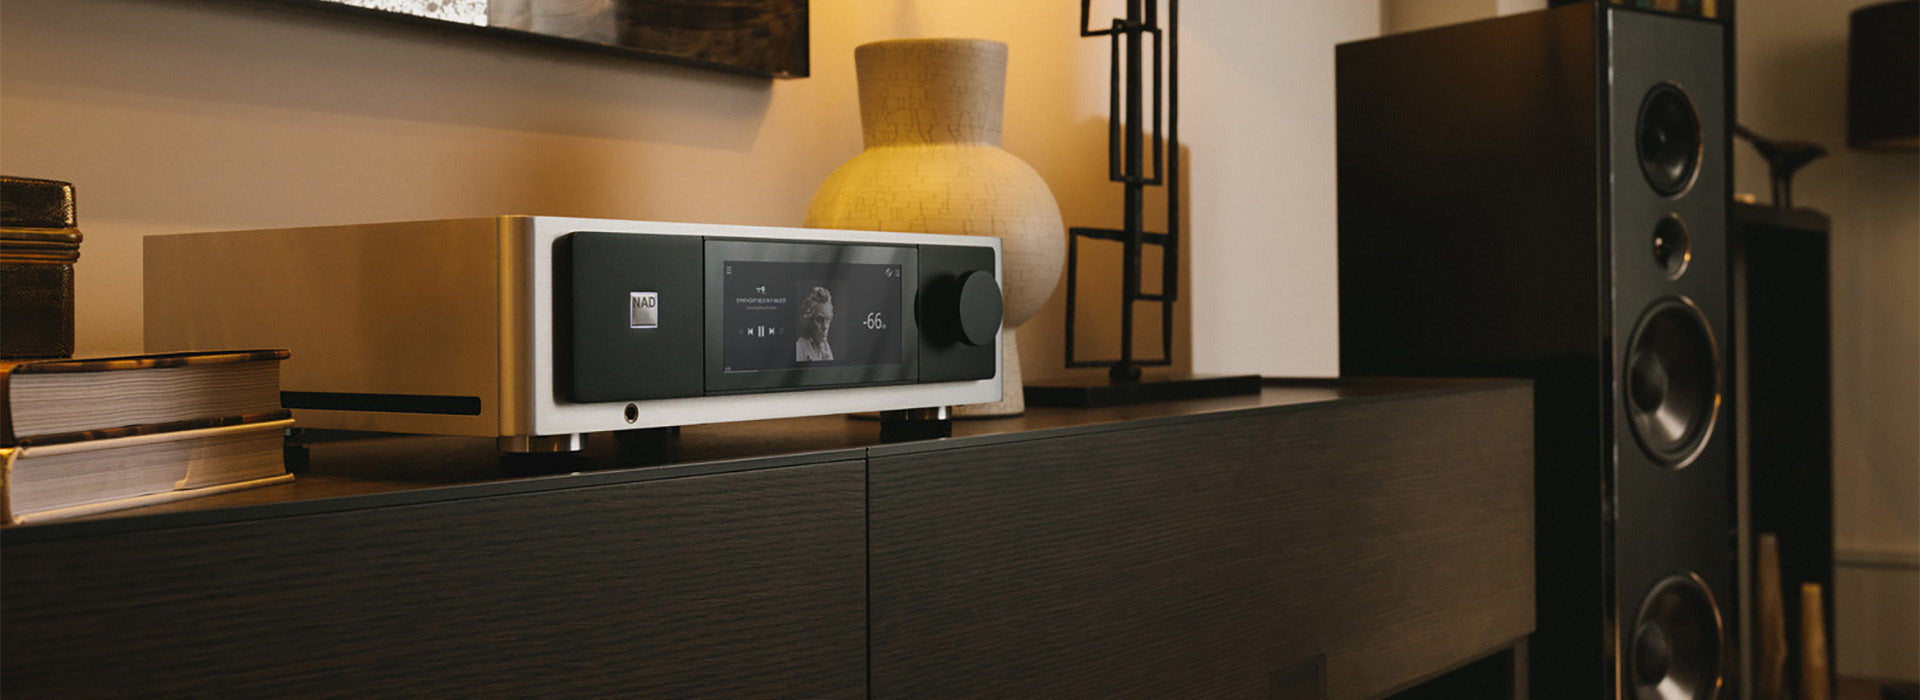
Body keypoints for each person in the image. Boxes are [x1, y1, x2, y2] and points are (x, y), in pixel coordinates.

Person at [796, 286, 834, 361]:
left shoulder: (825, 345)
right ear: (808, 319)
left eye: (827, 320)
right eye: (820, 320)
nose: (825, 327)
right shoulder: (799, 349)